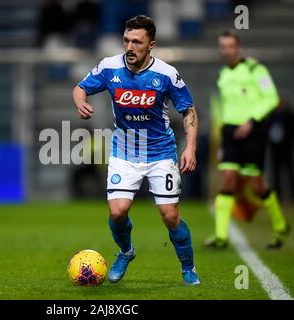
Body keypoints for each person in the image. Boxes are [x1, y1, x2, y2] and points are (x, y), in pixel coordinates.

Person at [72, 15, 200, 285]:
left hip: (161, 153)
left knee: (170, 215)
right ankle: (126, 251)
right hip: (124, 152)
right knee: (117, 212)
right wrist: (81, 102)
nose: (130, 47)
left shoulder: (166, 74)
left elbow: (188, 110)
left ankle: (188, 268)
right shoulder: (109, 67)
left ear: (150, 44)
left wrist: (190, 147)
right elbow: (80, 88)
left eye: (137, 42)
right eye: (126, 41)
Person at [204, 30, 290, 250]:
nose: (226, 51)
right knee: (228, 179)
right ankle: (221, 236)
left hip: (253, 131)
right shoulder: (223, 74)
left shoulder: (255, 69)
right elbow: (227, 106)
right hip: (230, 132)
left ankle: (280, 225)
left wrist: (251, 121)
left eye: (230, 46)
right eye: (223, 47)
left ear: (238, 47)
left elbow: (272, 98)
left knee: (257, 184)